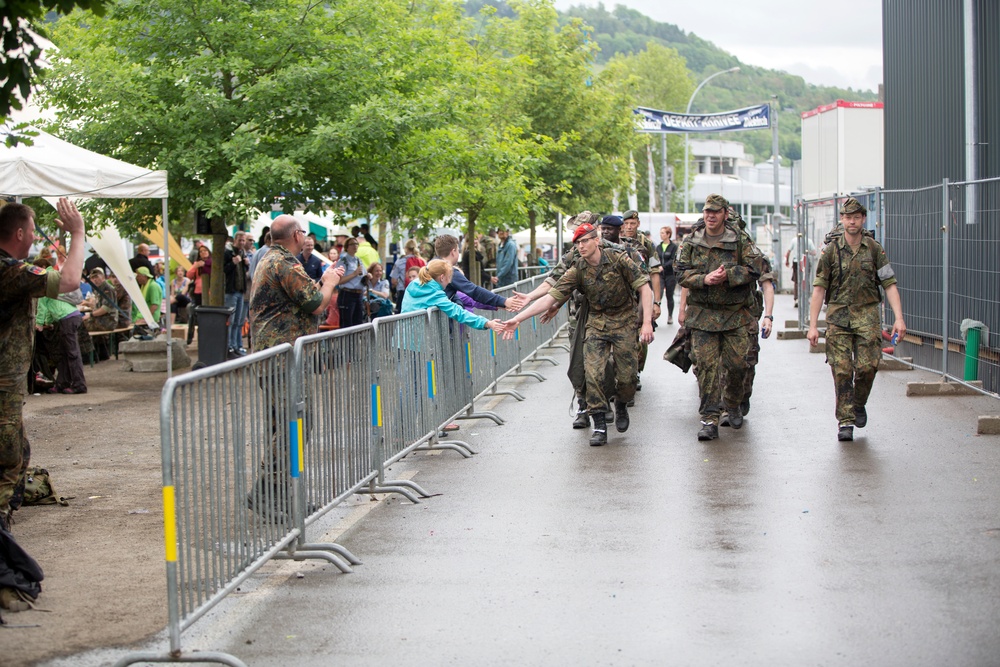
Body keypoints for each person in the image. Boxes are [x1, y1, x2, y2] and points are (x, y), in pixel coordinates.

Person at [0, 199, 85, 612]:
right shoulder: (10, 270)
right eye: (32, 229)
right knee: (8, 464)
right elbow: (70, 280)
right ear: (18, 233)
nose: (34, 236)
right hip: (2, 390)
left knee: (17, 459)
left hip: (9, 387)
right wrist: (77, 233)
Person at [502, 222, 653, 446]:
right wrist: (518, 318)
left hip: (623, 321)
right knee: (592, 374)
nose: (580, 246)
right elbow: (551, 296)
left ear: (597, 240)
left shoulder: (619, 259)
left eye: (584, 241)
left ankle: (621, 403)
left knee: (628, 378)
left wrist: (647, 322)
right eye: (577, 243)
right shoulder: (578, 269)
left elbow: (644, 287)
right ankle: (599, 424)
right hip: (596, 323)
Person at [807, 197, 906, 442]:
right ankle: (846, 421)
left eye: (857, 217)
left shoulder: (873, 249)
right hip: (838, 318)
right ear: (842, 219)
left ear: (863, 220)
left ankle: (858, 403)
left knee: (867, 367)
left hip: (867, 317)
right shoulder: (830, 251)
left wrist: (899, 318)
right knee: (841, 369)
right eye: (848, 217)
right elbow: (819, 289)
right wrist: (812, 326)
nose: (852, 222)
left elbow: (889, 284)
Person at [675, 194, 768, 442]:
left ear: (725, 213)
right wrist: (703, 279)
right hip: (703, 316)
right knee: (706, 369)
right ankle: (709, 419)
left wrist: (729, 275)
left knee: (738, 366)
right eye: (707, 212)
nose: (710, 216)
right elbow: (680, 272)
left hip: (734, 316)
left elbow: (756, 268)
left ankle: (733, 403)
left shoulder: (739, 239)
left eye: (715, 212)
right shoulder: (692, 240)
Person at [401, 259, 504, 333]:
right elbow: (459, 313)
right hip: (419, 343)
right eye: (449, 278)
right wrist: (487, 323)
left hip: (401, 337)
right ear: (442, 277)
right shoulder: (436, 294)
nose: (449, 281)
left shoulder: (412, 285)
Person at [224, 232, 250, 354]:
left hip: (240, 291)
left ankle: (236, 345)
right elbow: (223, 270)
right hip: (231, 290)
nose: (242, 243)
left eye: (244, 241)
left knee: (239, 320)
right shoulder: (228, 252)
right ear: (235, 240)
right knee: (231, 320)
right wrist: (232, 263)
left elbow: (243, 272)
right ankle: (230, 345)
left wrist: (246, 265)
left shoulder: (242, 253)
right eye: (240, 240)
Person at [336, 238, 367, 328]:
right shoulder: (343, 261)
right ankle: (346, 342)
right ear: (347, 247)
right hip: (347, 294)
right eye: (352, 244)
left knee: (358, 322)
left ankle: (356, 342)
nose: (355, 246)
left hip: (359, 294)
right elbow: (339, 280)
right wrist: (354, 274)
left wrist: (368, 276)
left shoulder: (358, 260)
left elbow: (363, 274)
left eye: (356, 244)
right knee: (347, 323)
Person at [656, 226, 679, 324]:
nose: (661, 235)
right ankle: (655, 315)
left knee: (670, 295)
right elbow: (655, 258)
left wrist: (664, 266)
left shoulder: (674, 247)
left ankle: (670, 315)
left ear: (668, 234)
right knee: (659, 294)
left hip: (670, 274)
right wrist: (656, 267)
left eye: (663, 233)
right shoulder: (658, 247)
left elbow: (673, 260)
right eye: (660, 233)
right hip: (660, 274)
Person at [132, 266, 163, 337]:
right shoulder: (144, 286)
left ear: (144, 276)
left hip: (151, 317)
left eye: (138, 276)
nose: (137, 278)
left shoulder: (153, 286)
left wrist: (146, 319)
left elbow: (154, 305)